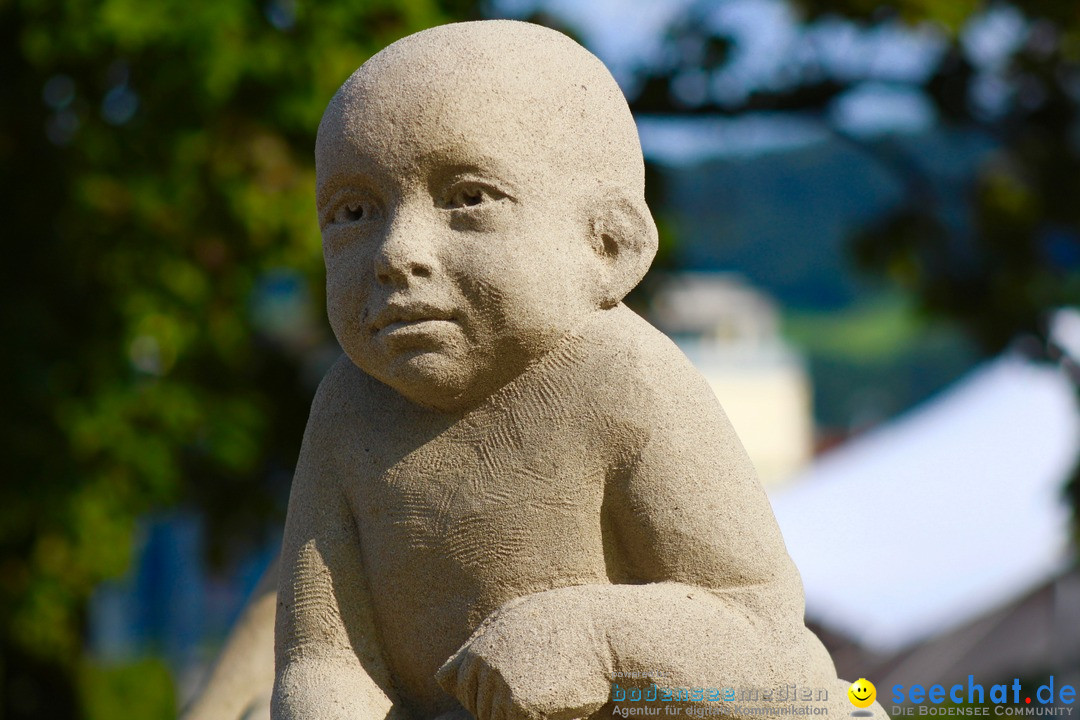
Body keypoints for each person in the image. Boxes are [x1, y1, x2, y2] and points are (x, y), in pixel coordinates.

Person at [271, 19, 881, 720]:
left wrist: (597, 639)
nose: (395, 251)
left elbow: (773, 650)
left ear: (609, 244)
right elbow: (322, 659)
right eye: (353, 212)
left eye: (468, 198)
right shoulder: (348, 409)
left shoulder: (625, 380)